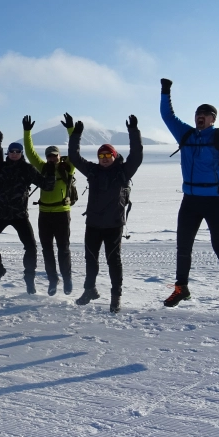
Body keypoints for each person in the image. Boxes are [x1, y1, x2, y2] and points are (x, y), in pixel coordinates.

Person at [159, 78, 219, 317]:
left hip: (214, 201)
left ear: (213, 118)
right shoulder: (186, 134)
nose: (200, 117)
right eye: (197, 113)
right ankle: (181, 288)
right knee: (183, 247)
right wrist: (165, 92)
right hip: (190, 200)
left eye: (205, 114)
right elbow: (167, 116)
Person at [68, 115, 143, 313]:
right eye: (101, 157)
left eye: (107, 156)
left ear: (114, 155)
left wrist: (134, 132)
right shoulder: (92, 171)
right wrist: (76, 135)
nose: (104, 160)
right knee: (90, 258)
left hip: (113, 225)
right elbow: (74, 158)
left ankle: (116, 296)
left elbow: (137, 156)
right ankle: (89, 290)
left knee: (113, 260)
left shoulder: (123, 171)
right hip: (93, 223)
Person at [0, 131, 52, 296]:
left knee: (31, 247)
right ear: (8, 153)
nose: (14, 154)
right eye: (11, 151)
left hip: (19, 214)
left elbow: (47, 186)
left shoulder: (27, 169)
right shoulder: (0, 167)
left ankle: (29, 279)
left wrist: (50, 172)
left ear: (21, 154)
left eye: (17, 152)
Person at [23, 114, 76, 296]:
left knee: (63, 248)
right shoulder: (42, 167)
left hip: (62, 213)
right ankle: (53, 280)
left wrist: (71, 129)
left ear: (59, 157)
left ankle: (67, 279)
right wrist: (27, 132)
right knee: (47, 250)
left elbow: (74, 149)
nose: (52, 158)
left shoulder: (67, 167)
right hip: (44, 214)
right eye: (49, 156)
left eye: (54, 156)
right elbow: (30, 153)